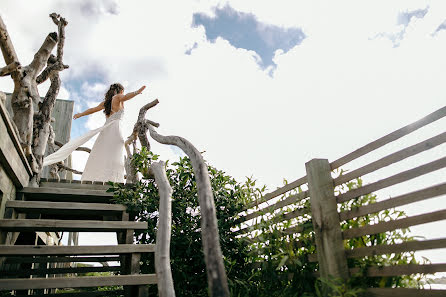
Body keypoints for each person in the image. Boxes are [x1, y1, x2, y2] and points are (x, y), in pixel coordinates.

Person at [43, 83, 146, 183]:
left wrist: (81, 114)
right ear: (121, 91)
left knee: (102, 153)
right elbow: (127, 97)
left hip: (106, 130)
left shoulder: (106, 102)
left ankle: (101, 178)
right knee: (115, 152)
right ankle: (112, 180)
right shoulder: (118, 97)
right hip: (115, 128)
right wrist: (137, 92)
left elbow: (93, 109)